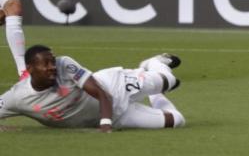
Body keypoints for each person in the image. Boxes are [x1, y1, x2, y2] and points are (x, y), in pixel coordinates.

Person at [0, 45, 185, 131]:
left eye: (52, 61)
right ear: (30, 68)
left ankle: (154, 63)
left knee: (169, 80)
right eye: (46, 63)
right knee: (177, 121)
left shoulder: (64, 64)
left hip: (115, 87)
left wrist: (105, 125)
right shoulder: (18, 96)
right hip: (116, 117)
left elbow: (101, 93)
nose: (52, 67)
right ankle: (156, 94)